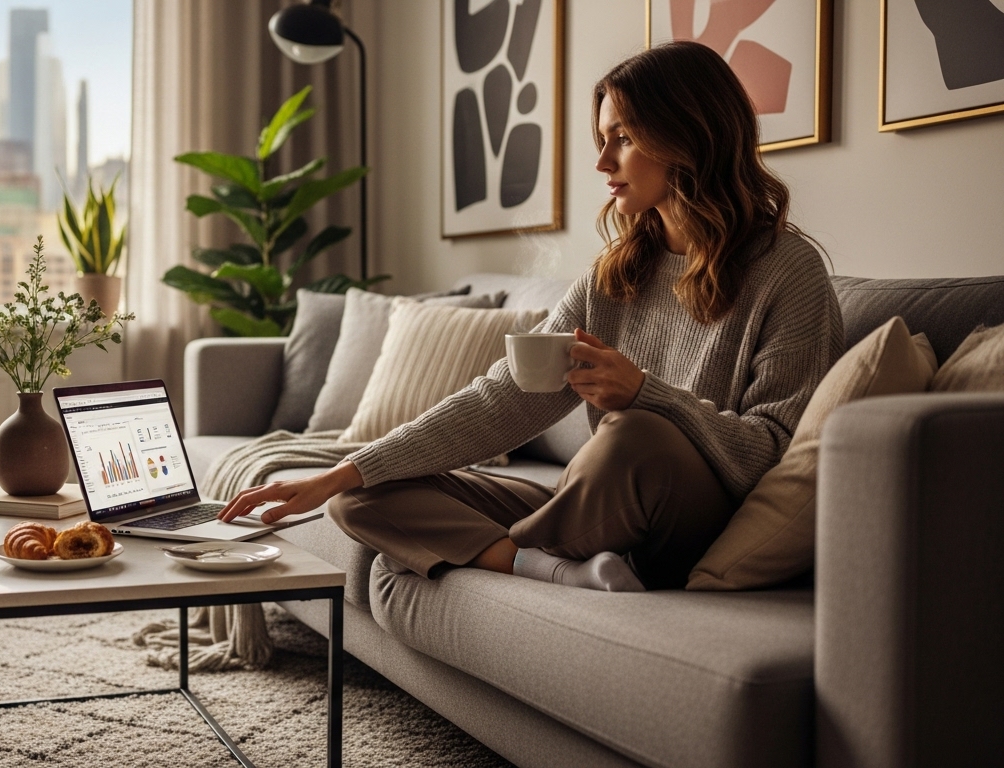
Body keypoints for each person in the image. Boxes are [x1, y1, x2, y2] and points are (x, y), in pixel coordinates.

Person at [216, 41, 844, 591]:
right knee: (360, 497)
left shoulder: (788, 271)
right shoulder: (616, 273)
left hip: (691, 519)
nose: (602, 163)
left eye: (623, 139)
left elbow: (773, 452)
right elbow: (503, 399)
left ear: (690, 137)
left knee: (633, 435)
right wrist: (346, 470)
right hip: (597, 501)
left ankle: (525, 554)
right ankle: (546, 565)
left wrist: (646, 395)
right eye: (603, 140)